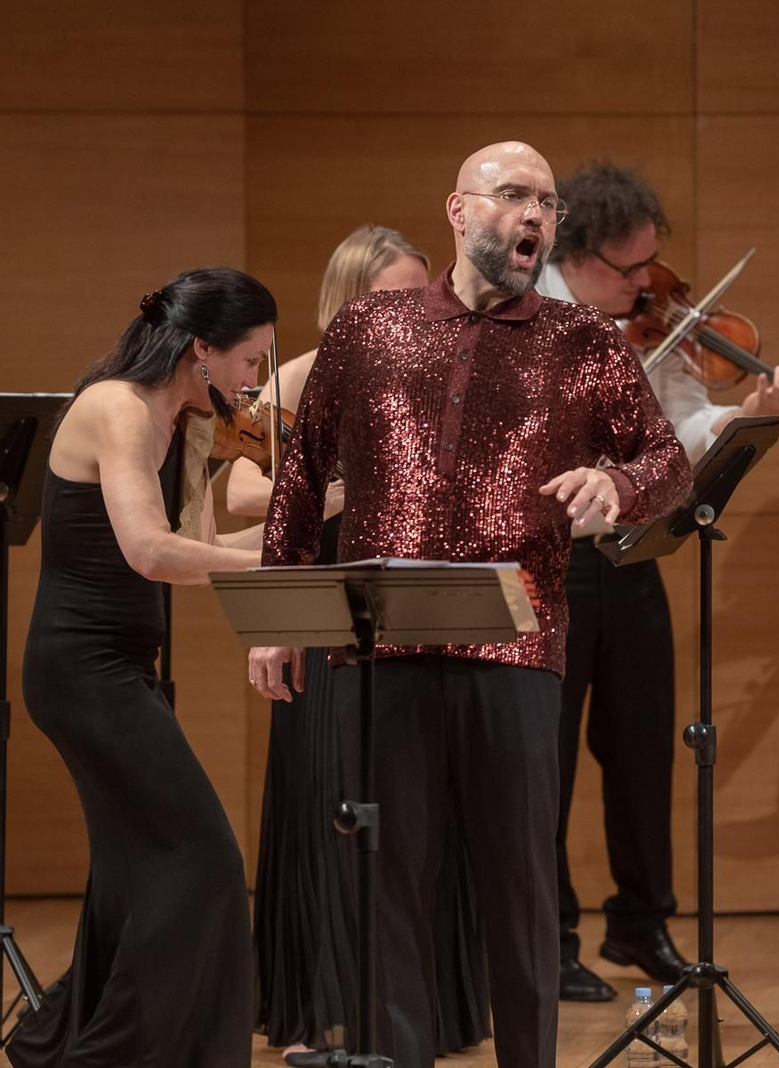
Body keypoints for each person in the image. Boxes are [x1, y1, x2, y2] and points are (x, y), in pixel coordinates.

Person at [248, 141, 692, 1068]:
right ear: (458, 209)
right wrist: (281, 618)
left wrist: (621, 485)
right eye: (514, 196)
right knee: (390, 887)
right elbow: (300, 474)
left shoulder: (587, 344)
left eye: (548, 203)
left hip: (518, 653)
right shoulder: (372, 327)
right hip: (384, 650)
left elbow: (668, 462)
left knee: (519, 891)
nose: (535, 216)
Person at [537, 161, 779, 1001]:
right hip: (549, 564)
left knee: (643, 747)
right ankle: (547, 940)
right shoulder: (528, 314)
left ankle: (641, 921)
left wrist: (747, 417)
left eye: (651, 265)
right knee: (545, 760)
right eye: (629, 271)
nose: (647, 286)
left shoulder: (652, 322)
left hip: (634, 552)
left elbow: (685, 423)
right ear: (576, 257)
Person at [229, 225, 492, 1056]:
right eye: (384, 300)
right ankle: (328, 1015)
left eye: (417, 297)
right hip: (326, 613)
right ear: (343, 305)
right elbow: (237, 494)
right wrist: (338, 491)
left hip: (416, 615)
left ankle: (422, 1014)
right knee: (329, 806)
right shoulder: (296, 379)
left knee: (421, 813)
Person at [9, 267, 275, 1068]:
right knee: (204, 859)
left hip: (122, 667)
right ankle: (121, 1052)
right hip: (81, 671)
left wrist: (310, 530)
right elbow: (151, 553)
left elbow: (201, 548)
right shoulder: (116, 407)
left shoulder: (185, 421)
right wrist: (268, 570)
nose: (255, 382)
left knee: (135, 873)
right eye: (252, 360)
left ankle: (73, 1043)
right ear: (203, 349)